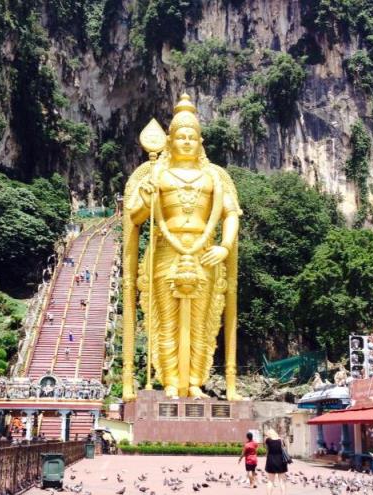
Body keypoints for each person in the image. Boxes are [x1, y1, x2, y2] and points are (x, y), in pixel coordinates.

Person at [122, 94, 242, 401]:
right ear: (170, 141)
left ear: (200, 141)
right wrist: (149, 196)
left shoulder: (214, 177)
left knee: (201, 322)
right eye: (180, 137)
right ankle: (171, 382)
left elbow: (230, 214)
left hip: (205, 252)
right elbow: (134, 217)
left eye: (192, 137)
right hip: (166, 251)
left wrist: (225, 246)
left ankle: (195, 383)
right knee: (167, 320)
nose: (186, 142)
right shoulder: (157, 175)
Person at [264, 429, 289, 495]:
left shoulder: (267, 440)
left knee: (270, 481)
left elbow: (267, 450)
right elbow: (284, 448)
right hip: (281, 461)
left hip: (271, 461)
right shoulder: (281, 440)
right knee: (282, 481)